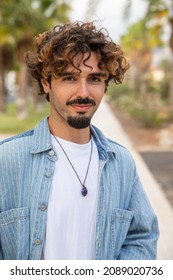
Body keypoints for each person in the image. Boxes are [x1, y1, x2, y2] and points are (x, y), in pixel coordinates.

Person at [0, 21, 159, 260]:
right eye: (69, 78)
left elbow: (141, 238)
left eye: (94, 78)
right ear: (46, 83)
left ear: (105, 85)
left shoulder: (121, 163)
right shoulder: (7, 160)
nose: (83, 92)